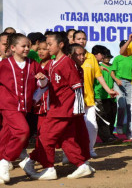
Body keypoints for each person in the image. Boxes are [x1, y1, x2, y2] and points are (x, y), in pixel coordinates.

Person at [23, 32, 93, 180]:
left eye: (49, 45)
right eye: (46, 45)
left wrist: (77, 109)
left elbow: (77, 86)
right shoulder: (51, 63)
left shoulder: (67, 62)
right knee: (66, 140)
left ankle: (48, 168)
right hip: (55, 109)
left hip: (62, 110)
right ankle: (82, 165)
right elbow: (45, 84)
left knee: (45, 138)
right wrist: (41, 81)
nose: (47, 48)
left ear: (60, 45)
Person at [0, 33, 47, 184]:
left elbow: (44, 84)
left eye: (28, 45)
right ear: (13, 48)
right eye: (23, 46)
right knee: (23, 131)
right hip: (8, 105)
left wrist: (42, 79)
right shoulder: (4, 65)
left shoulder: (33, 64)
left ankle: (2, 162)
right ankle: (5, 161)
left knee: (6, 135)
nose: (27, 48)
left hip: (25, 106)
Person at [73, 30, 118, 157]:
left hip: (89, 98)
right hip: (74, 99)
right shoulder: (69, 56)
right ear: (73, 40)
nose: (82, 41)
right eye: (79, 39)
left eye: (84, 38)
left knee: (92, 126)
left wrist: (109, 90)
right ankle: (70, 153)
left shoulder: (91, 57)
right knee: (74, 129)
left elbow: (99, 76)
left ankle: (90, 149)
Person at [94, 48, 118, 143]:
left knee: (112, 116)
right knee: (103, 116)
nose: (107, 58)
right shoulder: (97, 67)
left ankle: (110, 134)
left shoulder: (112, 67)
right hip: (101, 95)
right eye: (105, 56)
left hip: (111, 96)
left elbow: (116, 78)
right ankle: (106, 137)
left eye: (109, 57)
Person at [110, 40, 132, 136]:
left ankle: (129, 130)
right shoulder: (117, 58)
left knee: (130, 107)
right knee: (122, 105)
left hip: (131, 83)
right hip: (119, 82)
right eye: (124, 46)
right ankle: (119, 125)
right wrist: (116, 79)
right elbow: (112, 72)